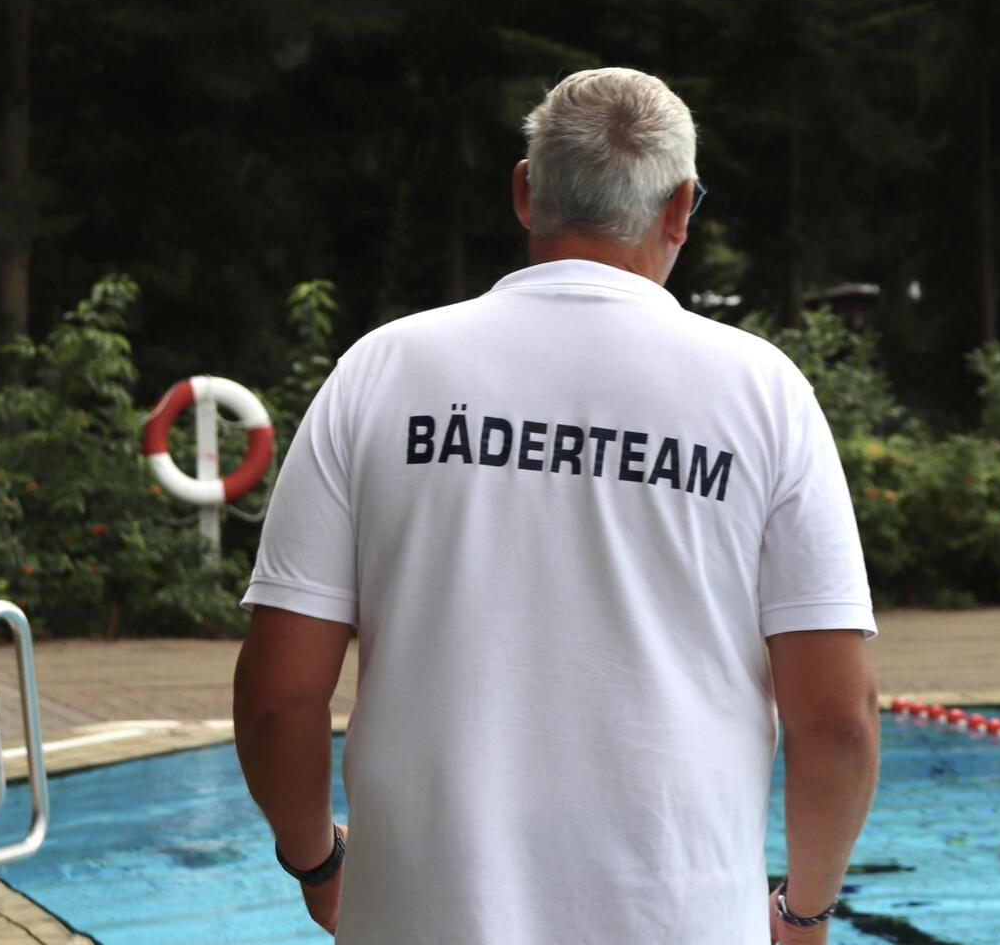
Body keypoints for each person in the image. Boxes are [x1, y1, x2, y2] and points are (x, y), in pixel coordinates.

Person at [233, 67, 880, 944]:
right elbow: (836, 723)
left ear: (526, 191)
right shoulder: (763, 395)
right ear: (682, 207)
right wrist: (804, 910)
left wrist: (316, 860)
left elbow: (277, 699)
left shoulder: (381, 373)